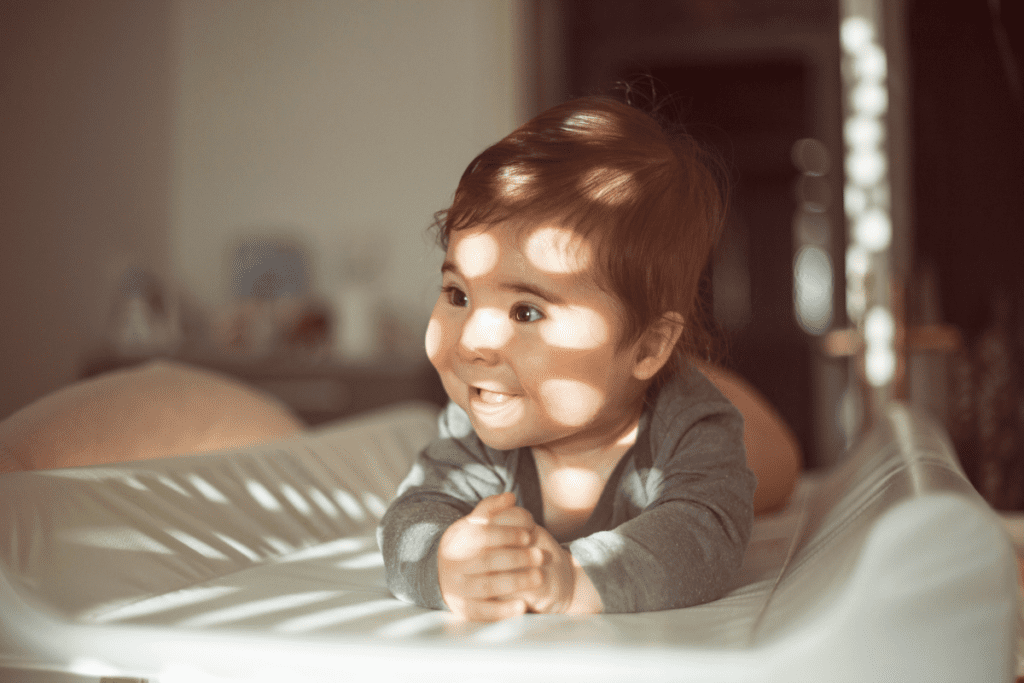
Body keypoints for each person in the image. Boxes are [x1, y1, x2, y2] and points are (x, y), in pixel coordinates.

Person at [377, 96, 758, 622]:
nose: (471, 341)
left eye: (526, 311)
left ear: (648, 346)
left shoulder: (689, 427)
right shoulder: (476, 427)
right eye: (458, 295)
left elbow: (705, 532)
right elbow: (413, 515)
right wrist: (445, 563)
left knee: (766, 476)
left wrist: (574, 580)